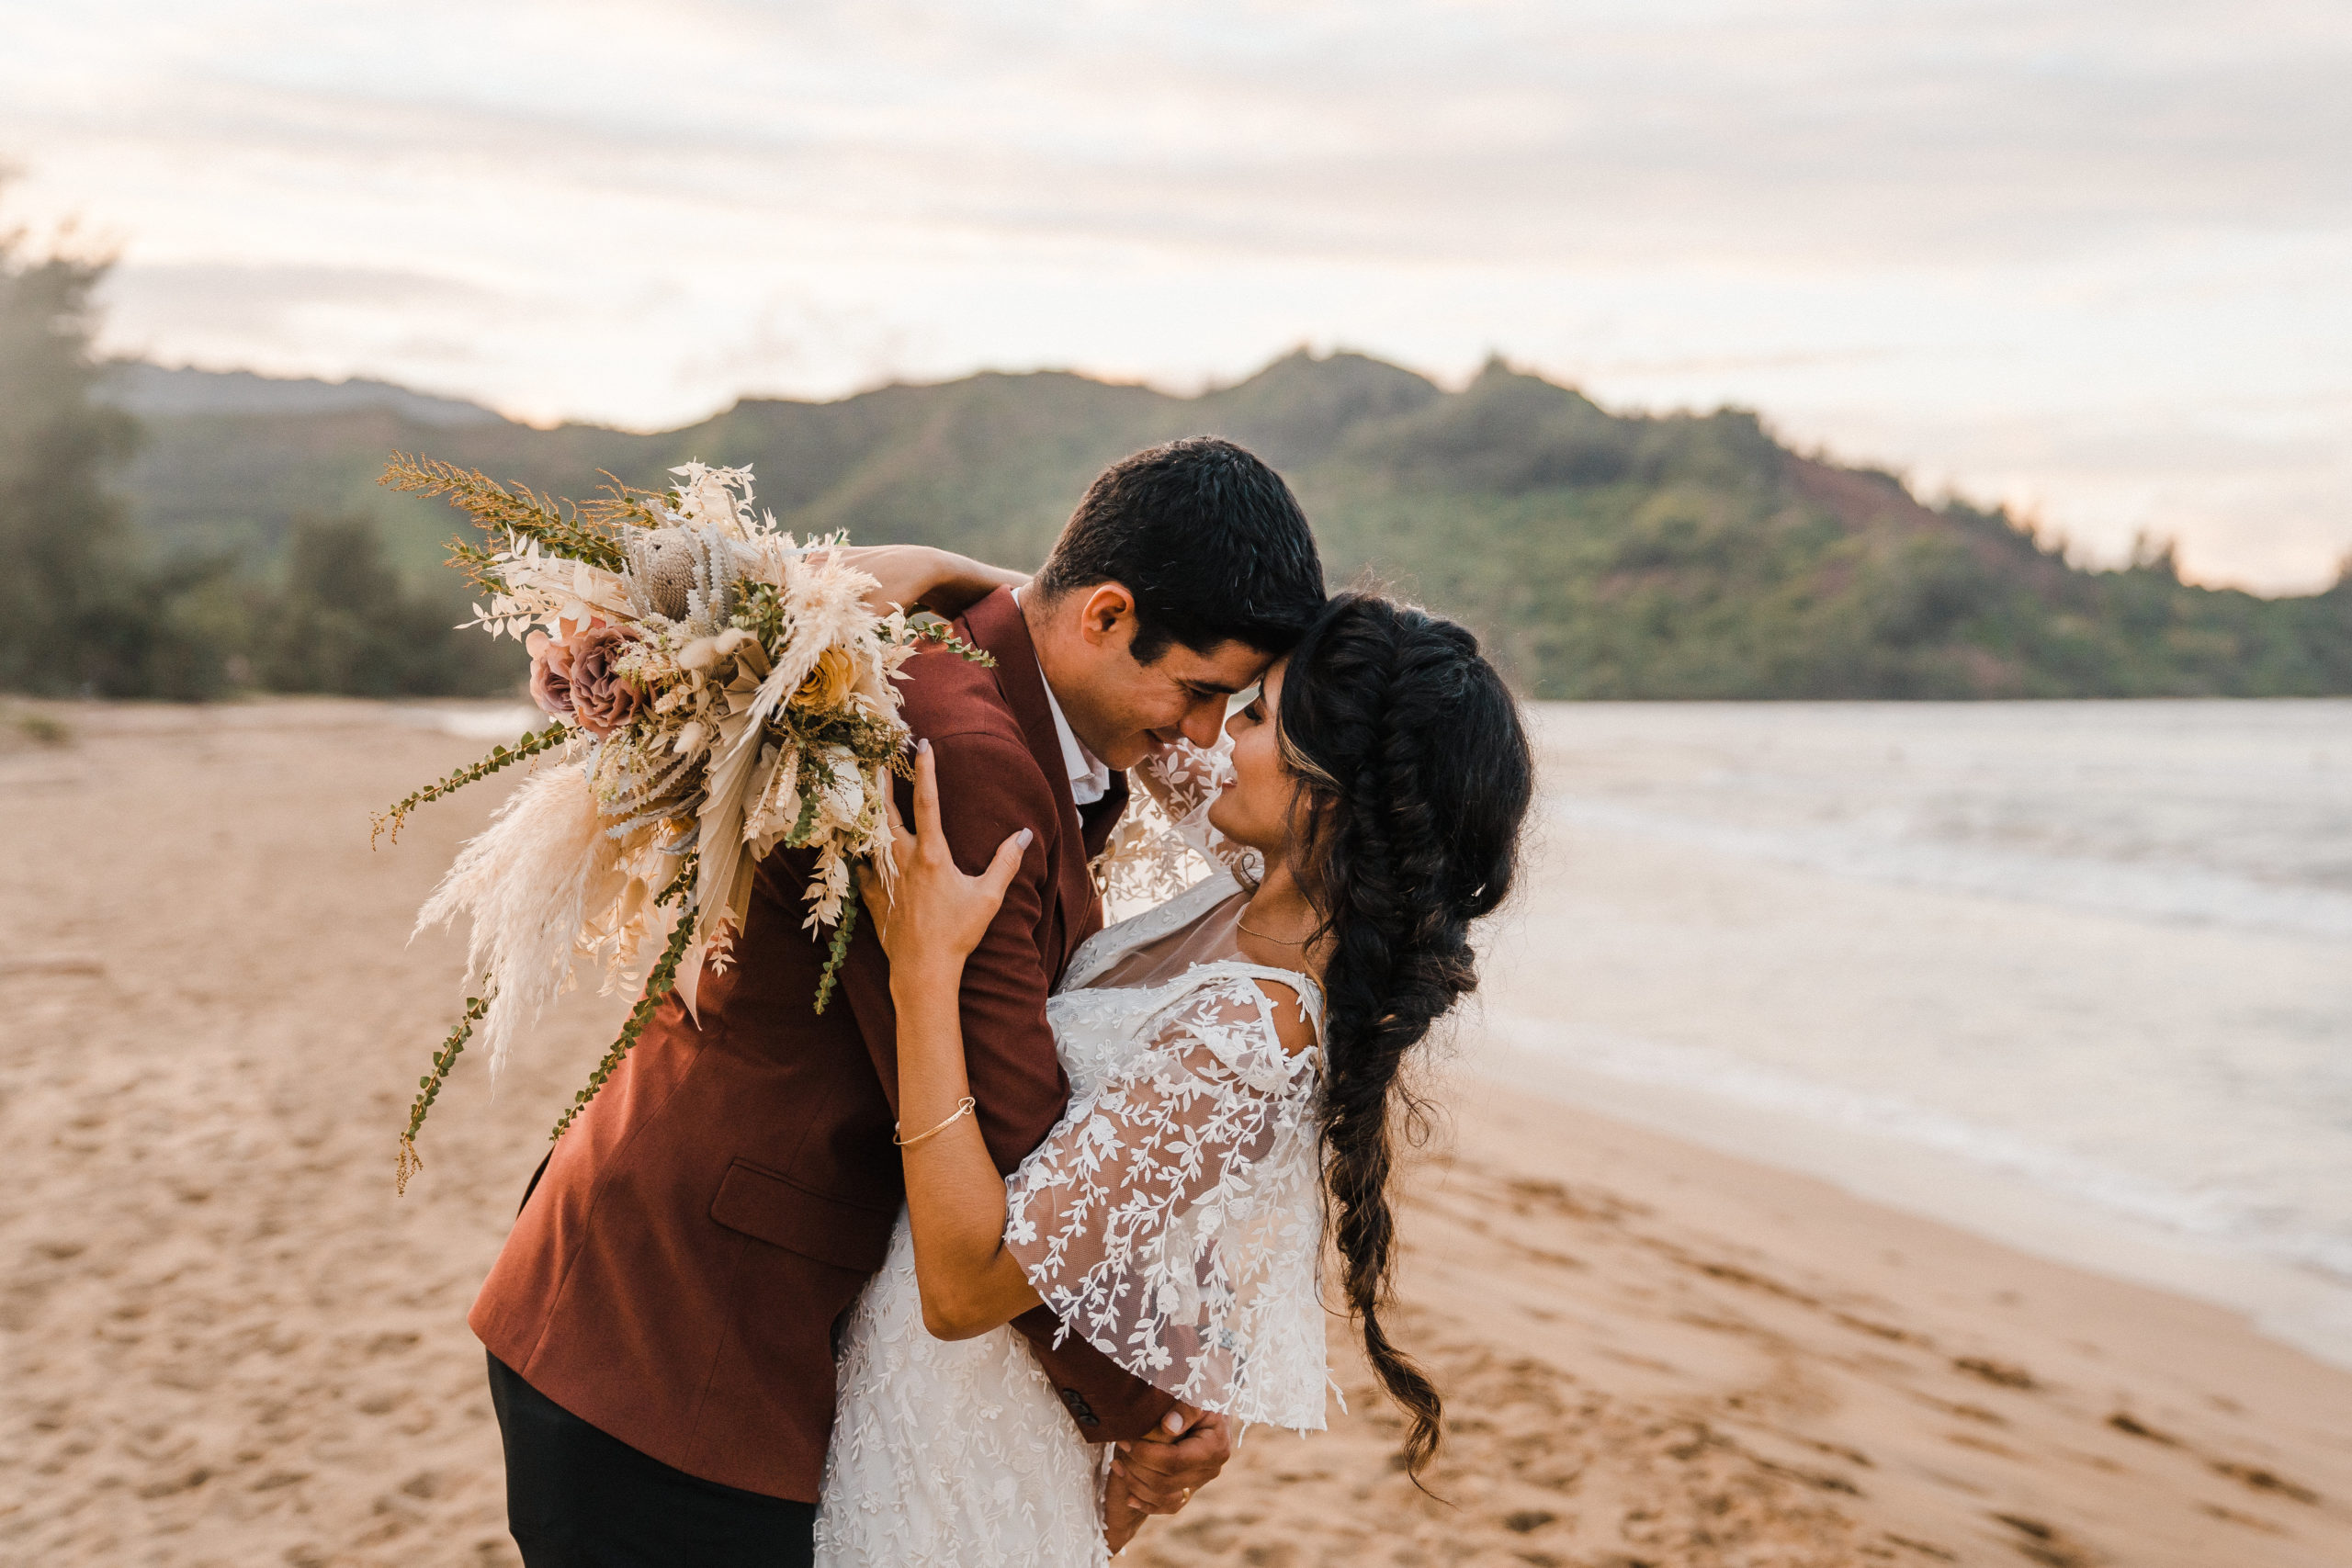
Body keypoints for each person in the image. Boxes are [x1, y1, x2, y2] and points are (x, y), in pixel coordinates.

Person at [470, 437, 1329, 1566]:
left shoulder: (990, 677)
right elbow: (1009, 1134)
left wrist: (964, 575)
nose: (1205, 735)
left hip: (686, 1305)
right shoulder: (962, 752)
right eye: (1201, 691)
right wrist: (1144, 1407)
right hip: (684, 1351)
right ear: (1108, 616)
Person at [817, 590, 1534, 1563]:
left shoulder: (1255, 1033)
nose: (1213, 735)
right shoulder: (1255, 878)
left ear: (1328, 791)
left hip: (956, 1421)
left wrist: (925, 972)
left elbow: (964, 1288)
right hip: (909, 1375)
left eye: (1254, 716)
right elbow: (1083, 644)